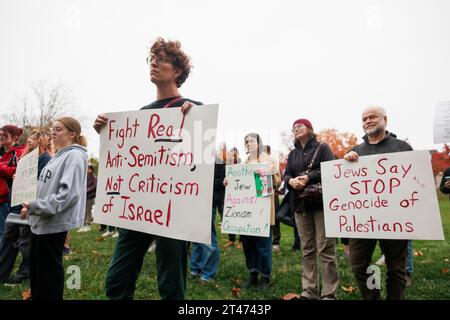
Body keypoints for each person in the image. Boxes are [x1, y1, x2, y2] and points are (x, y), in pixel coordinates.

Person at [93, 37, 202, 300]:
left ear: (177, 71)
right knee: (116, 280)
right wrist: (106, 134)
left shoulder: (193, 109)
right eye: (152, 59)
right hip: (138, 207)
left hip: (172, 210)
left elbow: (198, 161)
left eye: (162, 59)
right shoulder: (142, 114)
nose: (154, 63)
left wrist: (195, 120)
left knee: (171, 281)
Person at [344, 106, 413, 300]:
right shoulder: (355, 152)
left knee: (396, 267)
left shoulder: (402, 148)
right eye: (364, 118)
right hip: (363, 221)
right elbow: (345, 187)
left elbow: (413, 182)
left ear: (385, 119)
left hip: (394, 219)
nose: (367, 121)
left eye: (372, 117)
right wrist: (345, 163)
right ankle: (372, 296)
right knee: (359, 265)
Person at [20, 117, 88, 300]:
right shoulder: (58, 155)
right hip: (41, 222)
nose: (52, 132)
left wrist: (36, 206)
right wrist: (27, 199)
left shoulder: (75, 156)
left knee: (48, 276)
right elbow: (46, 186)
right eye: (52, 129)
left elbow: (67, 195)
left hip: (53, 224)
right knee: (38, 273)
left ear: (72, 134)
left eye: (58, 129)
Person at [284, 119, 339, 300]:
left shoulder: (322, 148)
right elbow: (287, 174)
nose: (296, 128)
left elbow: (330, 170)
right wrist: (290, 181)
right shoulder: (292, 154)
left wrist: (308, 177)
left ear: (309, 129)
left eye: (299, 125)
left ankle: (329, 294)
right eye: (294, 127)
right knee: (307, 249)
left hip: (321, 204)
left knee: (325, 249)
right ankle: (309, 291)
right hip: (300, 206)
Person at [225, 133, 281, 290]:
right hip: (245, 212)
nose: (248, 144)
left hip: (261, 211)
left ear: (259, 143)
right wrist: (229, 182)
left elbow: (277, 182)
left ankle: (265, 276)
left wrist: (267, 174)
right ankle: (253, 274)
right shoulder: (244, 162)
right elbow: (239, 186)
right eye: (246, 142)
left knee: (262, 245)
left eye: (251, 141)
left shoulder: (268, 160)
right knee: (248, 244)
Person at [0, 131, 52, 284]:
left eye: (31, 141)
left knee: (25, 242)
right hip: (16, 205)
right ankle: (2, 274)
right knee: (8, 239)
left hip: (28, 206)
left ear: (41, 142)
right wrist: (17, 177)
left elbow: (41, 184)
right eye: (28, 141)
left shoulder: (45, 160)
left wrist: (29, 205)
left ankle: (24, 274)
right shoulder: (26, 158)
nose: (28, 143)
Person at [189, 151, 223, 283]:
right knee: (196, 237)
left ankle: (208, 273)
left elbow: (222, 181)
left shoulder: (218, 161)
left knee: (207, 238)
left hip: (209, 202)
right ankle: (195, 268)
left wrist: (204, 180)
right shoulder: (193, 158)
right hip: (193, 201)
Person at [0, 125, 26, 241]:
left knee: (4, 232)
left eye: (4, 134)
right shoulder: (1, 151)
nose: (1, 136)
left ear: (15, 137)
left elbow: (19, 171)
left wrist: (1, 167)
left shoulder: (19, 151)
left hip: (7, 198)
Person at [223, 147, 242, 249]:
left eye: (235, 155)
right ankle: (231, 239)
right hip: (229, 196)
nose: (233, 157)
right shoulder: (226, 166)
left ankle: (241, 241)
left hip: (240, 197)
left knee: (241, 218)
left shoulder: (242, 165)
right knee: (230, 218)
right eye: (232, 155)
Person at [78, 164, 97, 233]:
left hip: (90, 196)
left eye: (89, 169)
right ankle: (84, 224)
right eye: (87, 169)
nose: (88, 170)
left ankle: (88, 225)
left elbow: (94, 186)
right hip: (85, 197)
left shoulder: (94, 177)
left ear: (92, 170)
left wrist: (86, 190)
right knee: (84, 211)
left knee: (88, 211)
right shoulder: (86, 177)